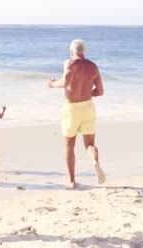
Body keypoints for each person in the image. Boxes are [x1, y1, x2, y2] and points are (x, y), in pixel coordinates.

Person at [48, 39, 106, 189]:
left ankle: (72, 180)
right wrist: (86, 93)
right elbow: (100, 91)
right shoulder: (93, 66)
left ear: (71, 52)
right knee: (89, 144)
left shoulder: (70, 63)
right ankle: (94, 161)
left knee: (70, 146)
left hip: (71, 109)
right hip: (88, 107)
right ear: (84, 52)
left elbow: (66, 82)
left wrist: (53, 84)